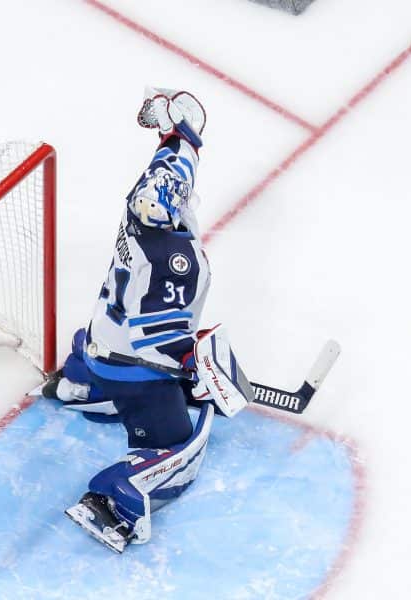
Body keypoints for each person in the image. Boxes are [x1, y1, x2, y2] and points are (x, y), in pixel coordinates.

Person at [45, 88, 249, 553]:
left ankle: (76, 384)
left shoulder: (141, 203)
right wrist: (196, 366)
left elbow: (173, 162)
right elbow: (157, 344)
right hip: (131, 369)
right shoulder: (175, 264)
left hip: (96, 342)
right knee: (181, 450)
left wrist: (179, 135)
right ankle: (112, 500)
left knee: (101, 349)